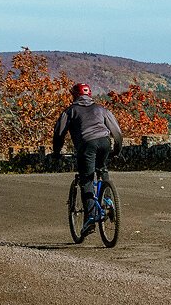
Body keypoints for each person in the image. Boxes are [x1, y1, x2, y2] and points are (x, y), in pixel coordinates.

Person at [53, 83, 124, 238]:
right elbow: (117, 132)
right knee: (102, 168)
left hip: (87, 144)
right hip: (105, 142)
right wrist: (116, 150)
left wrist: (56, 153)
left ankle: (90, 219)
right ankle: (108, 201)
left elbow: (59, 133)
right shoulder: (101, 109)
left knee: (86, 179)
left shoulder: (70, 111)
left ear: (74, 95)